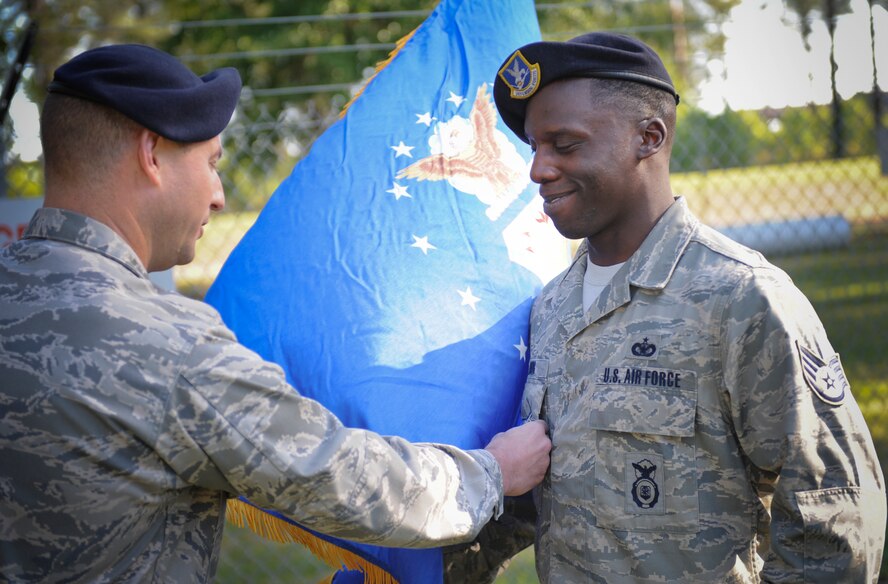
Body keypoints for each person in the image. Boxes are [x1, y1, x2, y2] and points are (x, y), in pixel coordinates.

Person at [0, 43, 552, 583]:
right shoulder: (163, 347)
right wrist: (492, 474)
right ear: (151, 154)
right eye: (211, 163)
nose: (217, 196)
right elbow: (333, 474)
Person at [462, 31, 885, 582]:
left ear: (649, 137)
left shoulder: (743, 299)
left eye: (564, 145)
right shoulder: (550, 308)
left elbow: (834, 525)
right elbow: (533, 493)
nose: (538, 170)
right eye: (534, 148)